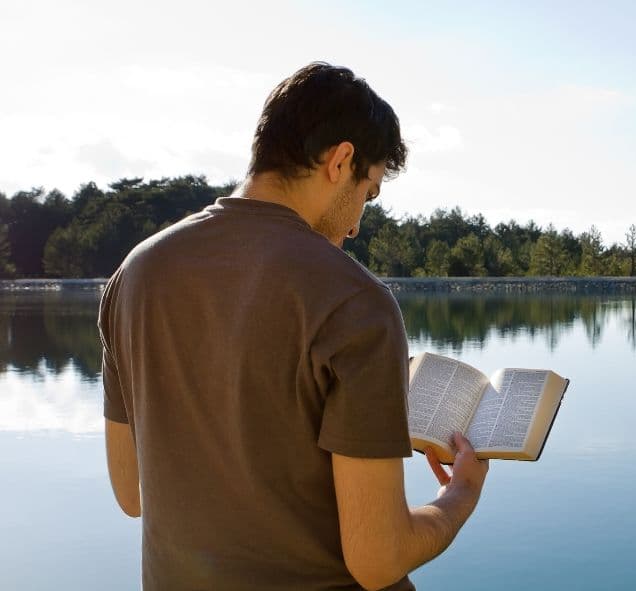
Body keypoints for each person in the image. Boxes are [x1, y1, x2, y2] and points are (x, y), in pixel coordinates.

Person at [100, 62, 489, 591]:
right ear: (341, 160)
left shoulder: (135, 274)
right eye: (368, 195)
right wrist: (459, 497)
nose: (355, 224)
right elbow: (378, 560)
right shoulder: (355, 300)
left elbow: (132, 493)